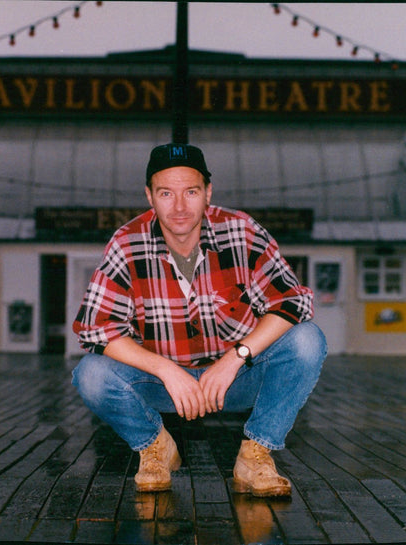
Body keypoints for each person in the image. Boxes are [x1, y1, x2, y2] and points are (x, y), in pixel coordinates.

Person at [72, 142, 327, 497]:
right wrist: (165, 369)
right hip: (165, 386)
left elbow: (292, 302)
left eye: (190, 192)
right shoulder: (127, 242)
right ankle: (155, 447)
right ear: (149, 196)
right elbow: (96, 329)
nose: (179, 207)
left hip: (237, 378)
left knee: (308, 340)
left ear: (208, 192)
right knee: (91, 373)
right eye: (166, 193)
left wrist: (234, 359)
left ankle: (256, 454)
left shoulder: (242, 231)